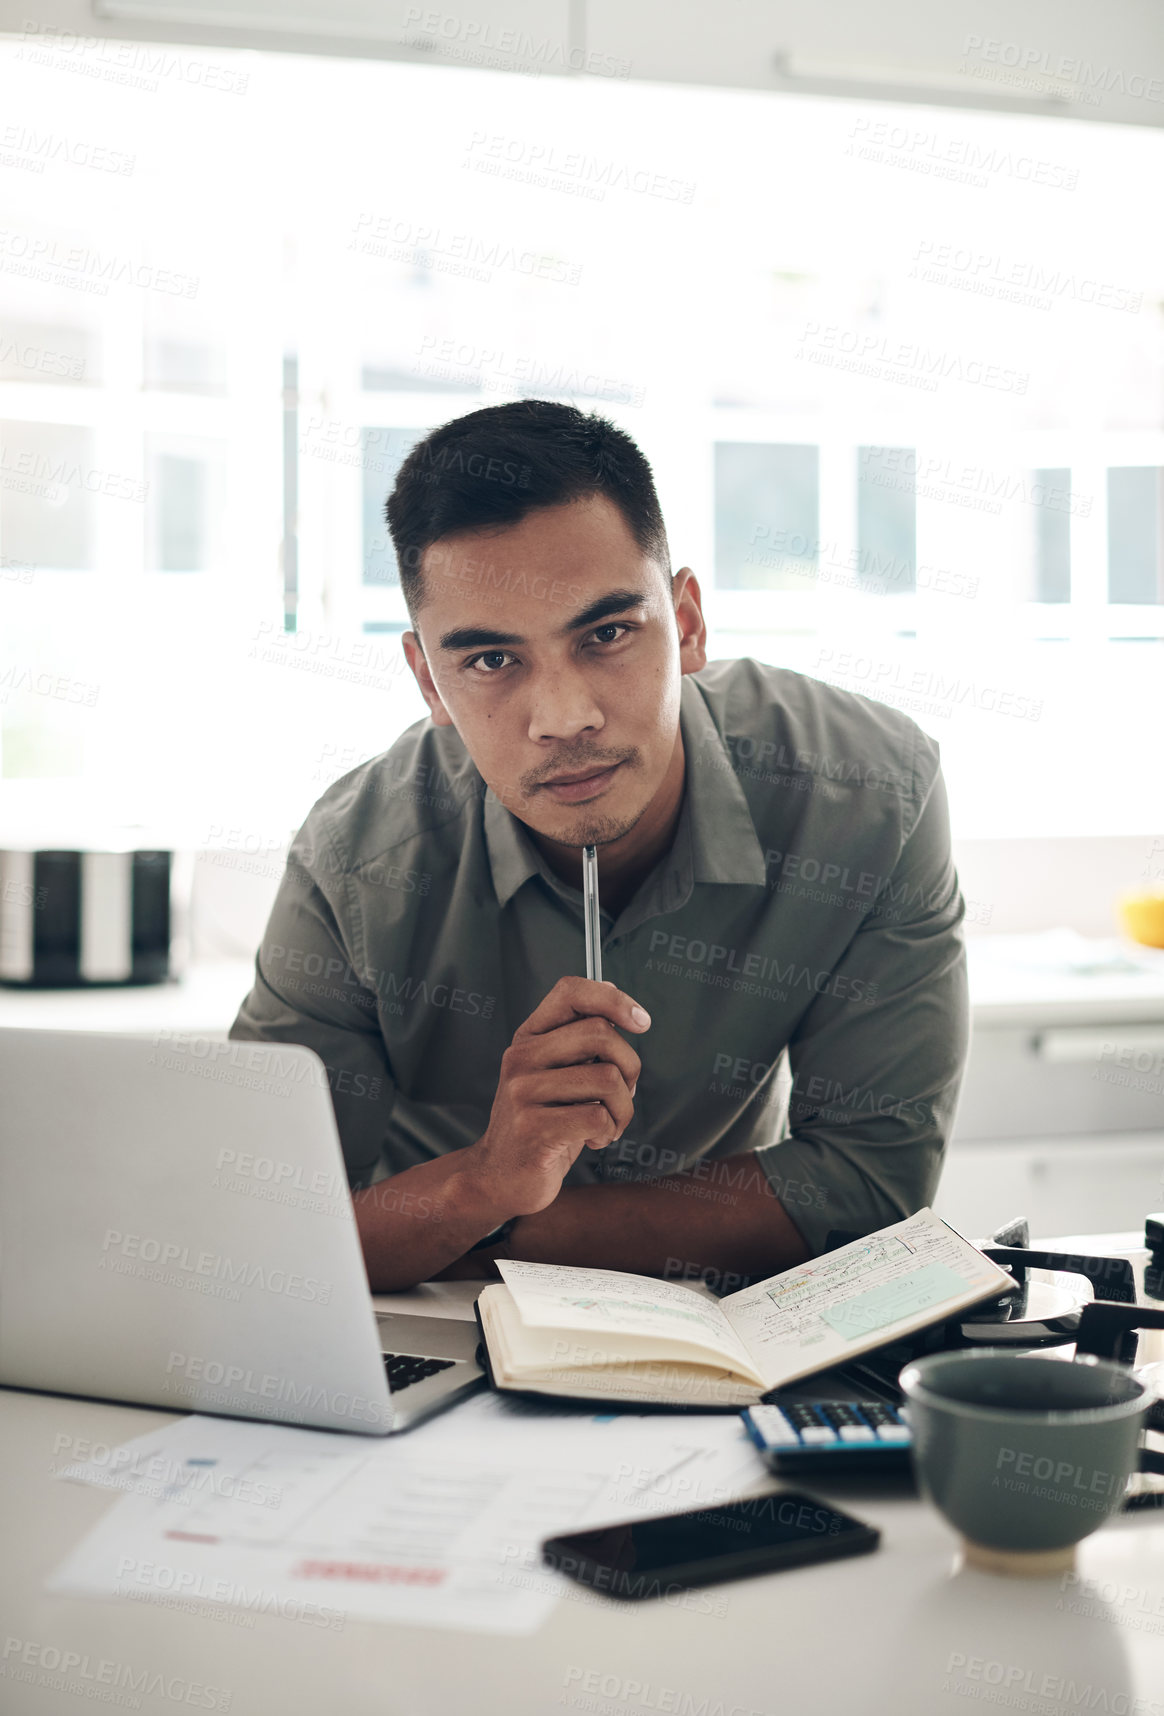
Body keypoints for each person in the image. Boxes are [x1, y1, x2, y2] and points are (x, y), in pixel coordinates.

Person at [228, 400, 969, 1293]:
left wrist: (488, 1227)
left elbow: (869, 1187)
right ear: (428, 676)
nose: (565, 718)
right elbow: (259, 1227)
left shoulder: (869, 794)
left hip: (684, 1318)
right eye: (492, 661)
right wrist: (487, 1179)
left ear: (687, 623)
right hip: (431, 1326)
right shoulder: (356, 857)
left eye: (608, 634)